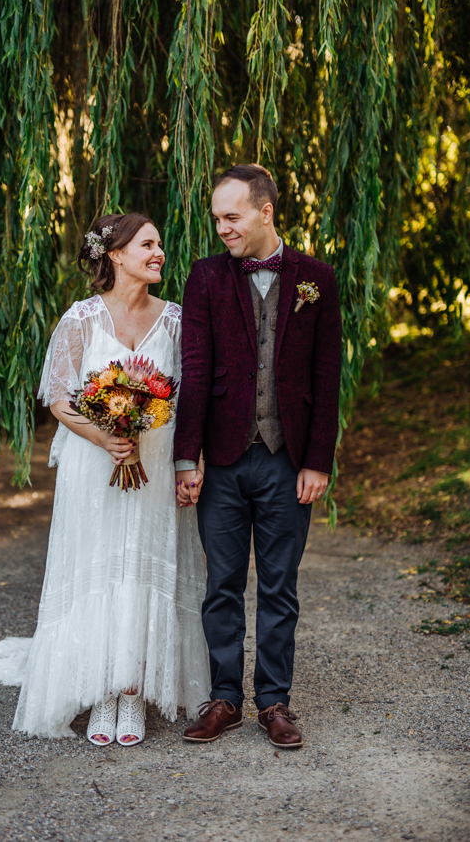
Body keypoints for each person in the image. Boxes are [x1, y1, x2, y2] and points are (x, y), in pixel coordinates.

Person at [0, 212, 210, 745]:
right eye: (148, 244)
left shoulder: (177, 320)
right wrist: (105, 437)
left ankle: (132, 694)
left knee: (144, 568)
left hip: (154, 466)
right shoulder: (81, 318)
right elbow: (60, 397)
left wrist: (189, 460)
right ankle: (101, 692)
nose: (160, 253)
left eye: (160, 244)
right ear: (115, 255)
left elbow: (190, 395)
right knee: (100, 569)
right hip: (95, 467)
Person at [174, 164, 342, 749]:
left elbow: (327, 376)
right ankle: (225, 699)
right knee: (221, 584)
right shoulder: (205, 278)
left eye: (232, 216)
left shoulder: (316, 279)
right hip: (220, 457)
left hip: (286, 458)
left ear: (265, 212)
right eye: (216, 218)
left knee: (279, 586)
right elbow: (193, 370)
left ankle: (275, 702)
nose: (221, 227)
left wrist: (318, 460)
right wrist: (184, 458)